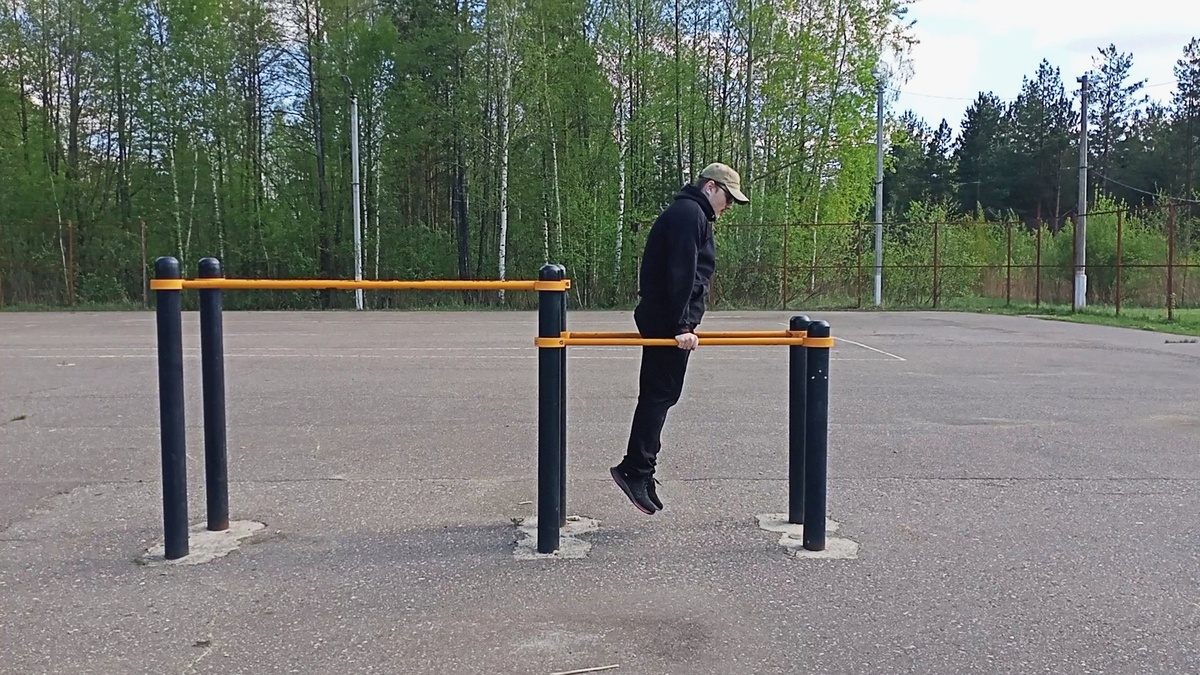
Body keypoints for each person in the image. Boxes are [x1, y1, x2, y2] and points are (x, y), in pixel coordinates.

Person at [610, 162, 750, 515]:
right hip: (667, 320)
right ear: (710, 187)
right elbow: (681, 273)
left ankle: (641, 467)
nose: (729, 206)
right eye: (728, 198)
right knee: (660, 394)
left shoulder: (689, 213)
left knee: (661, 394)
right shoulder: (690, 215)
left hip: (664, 317)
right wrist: (681, 326)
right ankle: (635, 468)